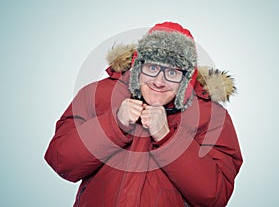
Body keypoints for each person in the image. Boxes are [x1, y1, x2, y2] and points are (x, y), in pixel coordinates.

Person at [45, 22, 243, 207]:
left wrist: (169, 138)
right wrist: (114, 124)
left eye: (172, 72)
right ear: (139, 66)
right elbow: (61, 161)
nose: (159, 81)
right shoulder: (99, 95)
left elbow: (215, 195)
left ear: (186, 78)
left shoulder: (211, 117)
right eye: (153, 67)